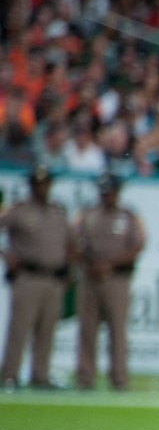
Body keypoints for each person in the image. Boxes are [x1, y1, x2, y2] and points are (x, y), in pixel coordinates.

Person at [0, 166, 72, 391]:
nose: (43, 187)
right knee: (20, 327)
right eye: (38, 183)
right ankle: (10, 374)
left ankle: (40, 374)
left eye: (46, 183)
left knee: (47, 329)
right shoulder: (19, 211)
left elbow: (69, 243)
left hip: (53, 277)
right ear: (31, 185)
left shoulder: (57, 212)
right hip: (28, 275)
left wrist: (68, 268)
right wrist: (7, 255)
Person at [73, 173, 144, 392]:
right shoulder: (88, 215)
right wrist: (90, 263)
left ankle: (119, 377)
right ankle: (85, 377)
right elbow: (73, 243)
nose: (108, 195)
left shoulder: (127, 217)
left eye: (112, 191)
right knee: (87, 329)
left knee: (118, 329)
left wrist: (111, 264)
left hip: (117, 278)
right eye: (105, 191)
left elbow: (137, 245)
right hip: (90, 277)